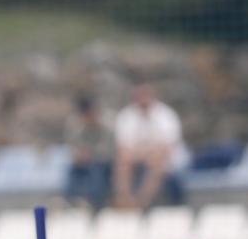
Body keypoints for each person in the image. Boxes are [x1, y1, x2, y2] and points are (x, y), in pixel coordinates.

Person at [113, 83, 186, 212]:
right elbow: (123, 148)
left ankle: (141, 203)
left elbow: (167, 148)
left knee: (157, 161)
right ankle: (125, 200)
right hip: (139, 156)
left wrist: (145, 154)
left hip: (168, 159)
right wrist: (142, 154)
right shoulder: (127, 116)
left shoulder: (166, 115)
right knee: (122, 162)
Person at [63, 96, 112, 211]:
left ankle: (95, 202)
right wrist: (79, 154)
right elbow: (71, 145)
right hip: (81, 161)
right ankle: (72, 201)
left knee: (96, 170)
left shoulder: (107, 122)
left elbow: (109, 148)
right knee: (72, 170)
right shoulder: (75, 123)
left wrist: (92, 154)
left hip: (103, 162)